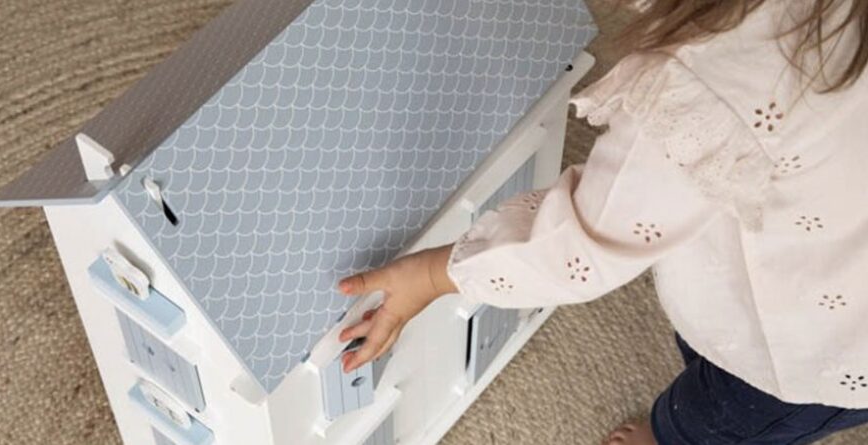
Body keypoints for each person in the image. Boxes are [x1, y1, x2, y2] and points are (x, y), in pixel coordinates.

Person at [336, 0, 868, 443]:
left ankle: (669, 436)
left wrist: (433, 275)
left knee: (713, 417)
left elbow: (585, 242)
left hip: (812, 353)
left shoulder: (716, 82)